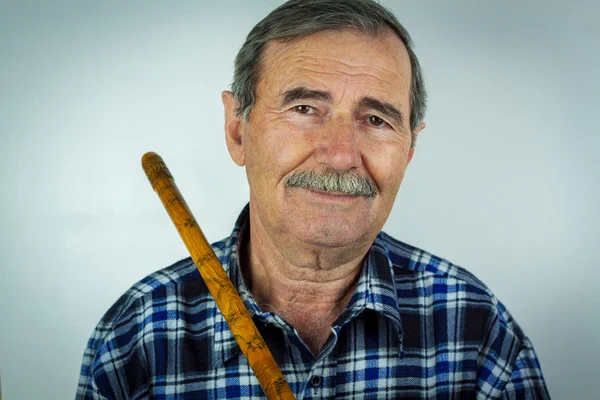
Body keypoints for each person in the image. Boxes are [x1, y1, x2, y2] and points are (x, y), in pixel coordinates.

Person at [77, 0, 550, 398]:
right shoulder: (135, 335)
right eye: (304, 109)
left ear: (409, 149)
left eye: (376, 119)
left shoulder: (478, 330)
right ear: (237, 129)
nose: (341, 155)